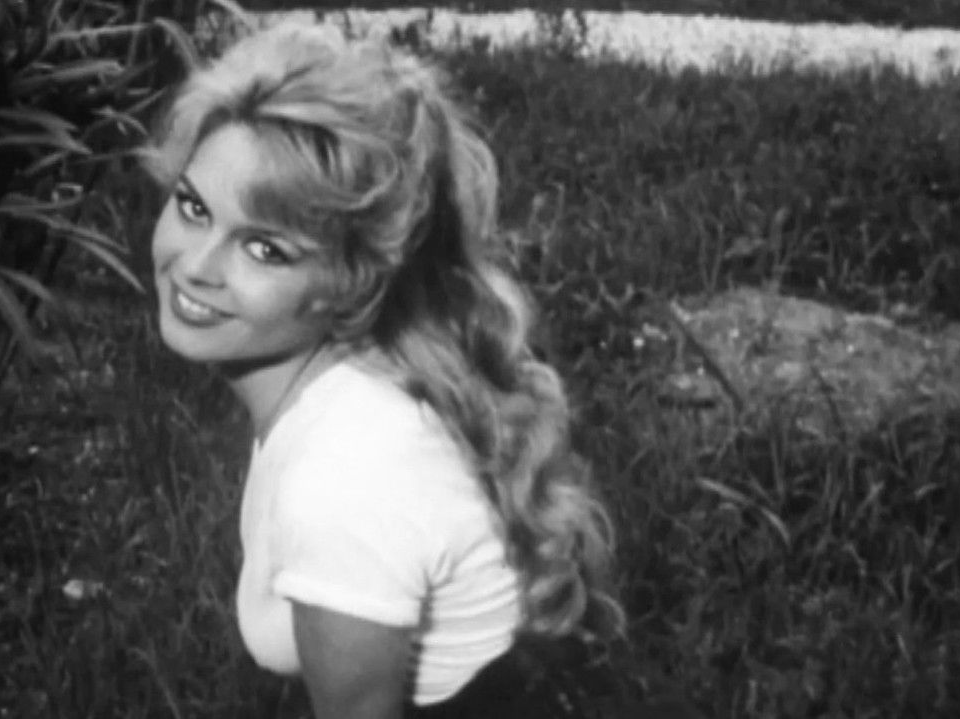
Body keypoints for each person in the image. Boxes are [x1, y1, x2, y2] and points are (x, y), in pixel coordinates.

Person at [141, 21, 688, 718]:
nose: (194, 264)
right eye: (193, 207)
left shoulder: (344, 480)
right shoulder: (344, 395)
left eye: (265, 249)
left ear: (353, 280)